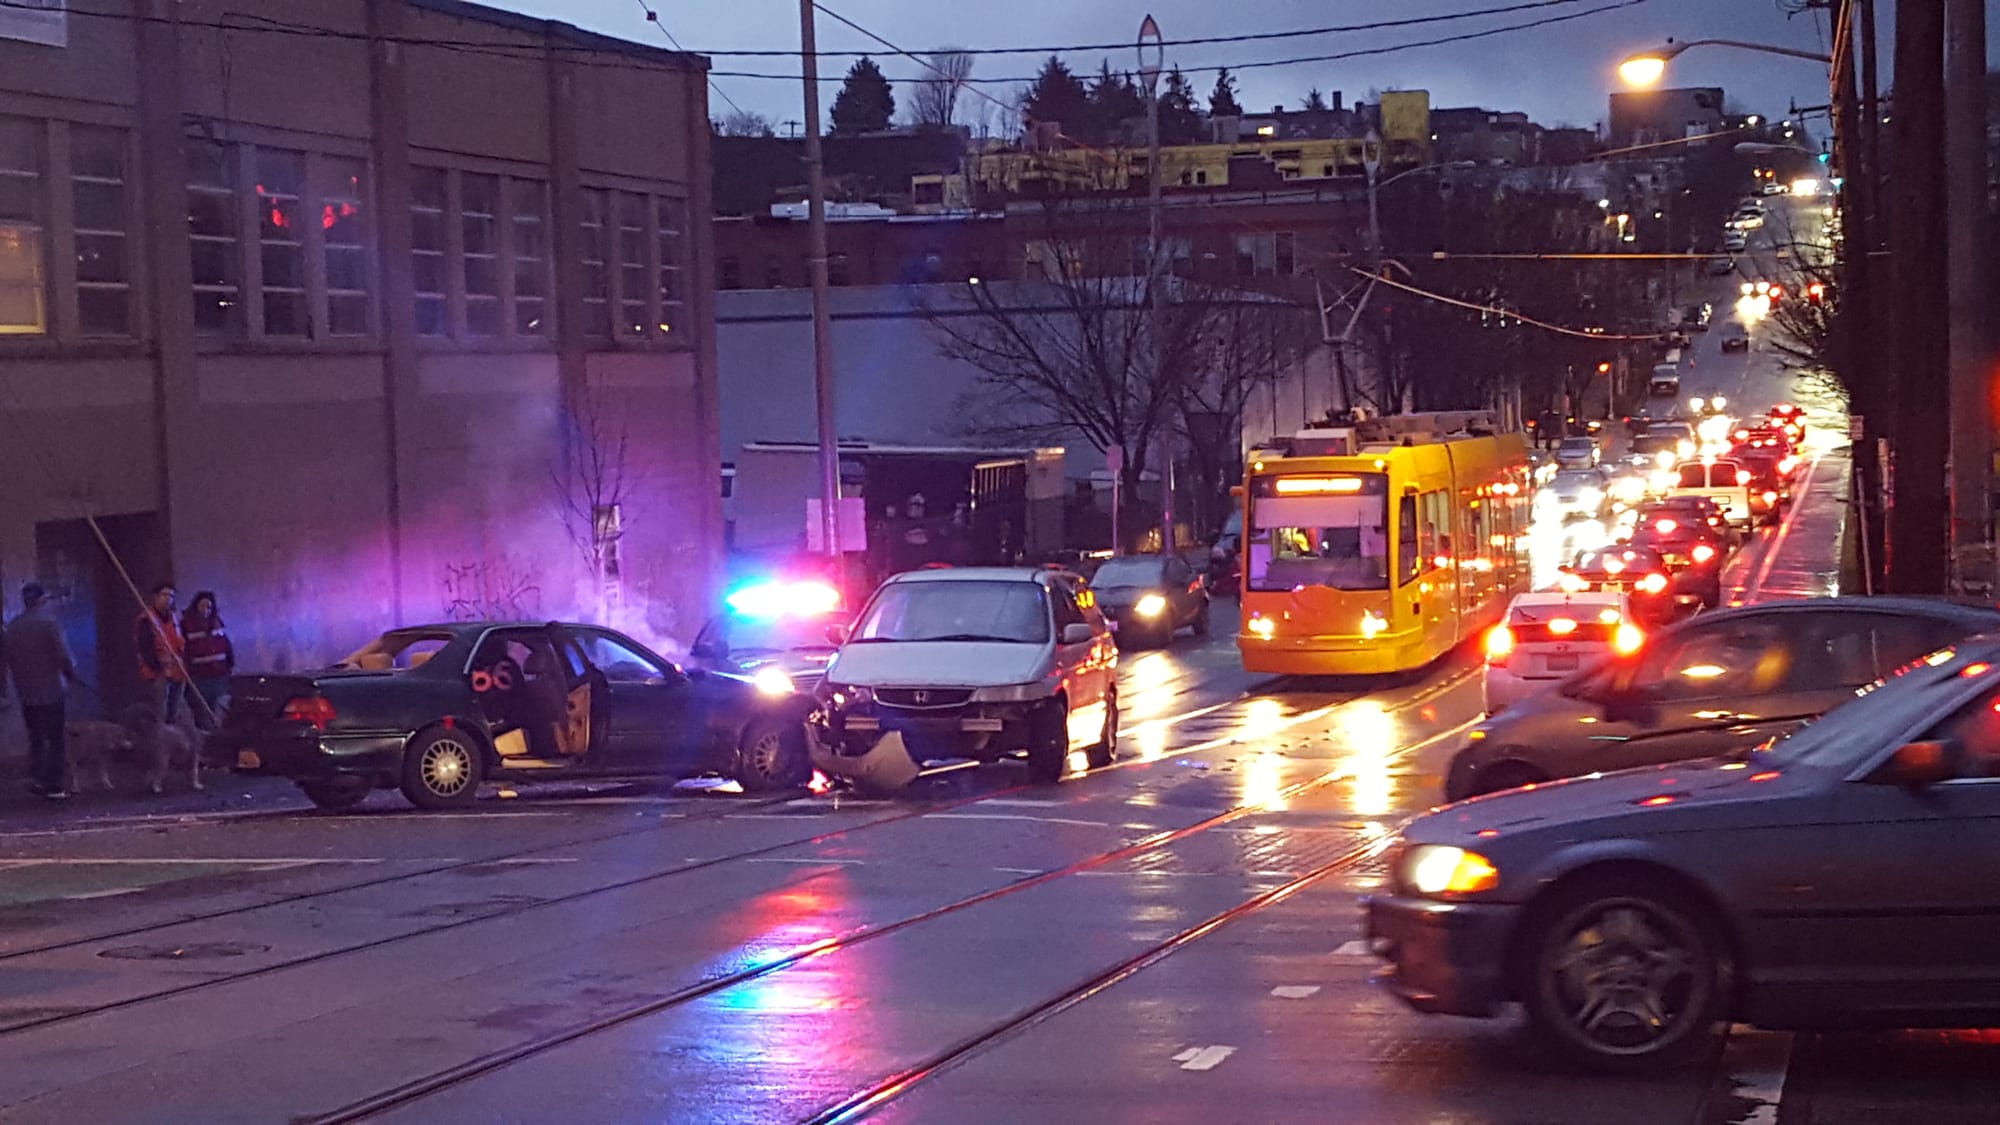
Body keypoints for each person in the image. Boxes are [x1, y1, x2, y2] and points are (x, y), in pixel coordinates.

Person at [4, 583, 77, 800]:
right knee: (55, 738)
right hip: (51, 689)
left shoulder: (13, 627)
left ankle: (38, 779)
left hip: (26, 692)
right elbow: (62, 654)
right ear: (41, 601)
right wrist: (70, 673)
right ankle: (54, 785)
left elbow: (6, 661)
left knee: (36, 737)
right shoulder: (49, 623)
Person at [179, 591, 234, 731]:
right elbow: (183, 650)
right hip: (199, 677)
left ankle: (216, 734)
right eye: (202, 606)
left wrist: (229, 665)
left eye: (209, 607)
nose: (206, 610)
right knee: (200, 710)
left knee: (218, 709)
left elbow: (226, 645)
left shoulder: (217, 623)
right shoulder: (186, 625)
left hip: (218, 676)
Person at [134, 583, 188, 724]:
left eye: (171, 596)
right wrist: (157, 666)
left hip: (177, 671)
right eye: (164, 595)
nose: (168, 599)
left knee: (174, 710)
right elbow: (145, 647)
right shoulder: (147, 619)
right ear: (156, 597)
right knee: (160, 710)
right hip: (158, 672)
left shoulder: (175, 619)